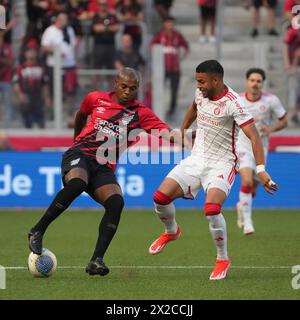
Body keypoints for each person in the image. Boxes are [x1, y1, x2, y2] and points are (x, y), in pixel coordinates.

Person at [28, 68, 178, 276]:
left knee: (116, 202)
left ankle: (96, 260)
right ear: (116, 83)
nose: (127, 92)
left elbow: (168, 134)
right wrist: (77, 140)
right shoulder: (96, 98)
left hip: (103, 166)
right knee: (77, 183)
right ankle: (37, 230)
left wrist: (194, 137)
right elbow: (81, 115)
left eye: (133, 89)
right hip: (80, 154)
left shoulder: (141, 114)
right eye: (124, 86)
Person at [148, 60, 278, 280]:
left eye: (202, 81)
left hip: (222, 164)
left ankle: (222, 258)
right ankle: (171, 232)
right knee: (160, 197)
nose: (198, 86)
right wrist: (183, 129)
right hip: (196, 159)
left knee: (211, 209)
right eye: (197, 81)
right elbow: (194, 107)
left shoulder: (234, 103)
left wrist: (261, 169)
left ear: (216, 80)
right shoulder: (201, 94)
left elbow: (254, 136)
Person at [236, 68, 287, 235]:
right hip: (242, 146)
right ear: (247, 82)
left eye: (258, 81)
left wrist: (270, 128)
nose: (255, 84)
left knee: (254, 186)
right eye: (252, 80)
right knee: (247, 181)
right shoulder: (238, 100)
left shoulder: (271, 100)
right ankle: (248, 223)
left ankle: (241, 206)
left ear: (262, 83)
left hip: (261, 148)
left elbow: (284, 121)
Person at [150, 16, 189, 119]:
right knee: (159, 89)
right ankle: (158, 110)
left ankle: (172, 111)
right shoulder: (160, 35)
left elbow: (186, 47)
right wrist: (155, 58)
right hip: (162, 69)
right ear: (164, 24)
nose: (170, 25)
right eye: (168, 23)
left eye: (171, 23)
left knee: (174, 91)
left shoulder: (177, 35)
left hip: (175, 69)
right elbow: (151, 45)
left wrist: (180, 58)